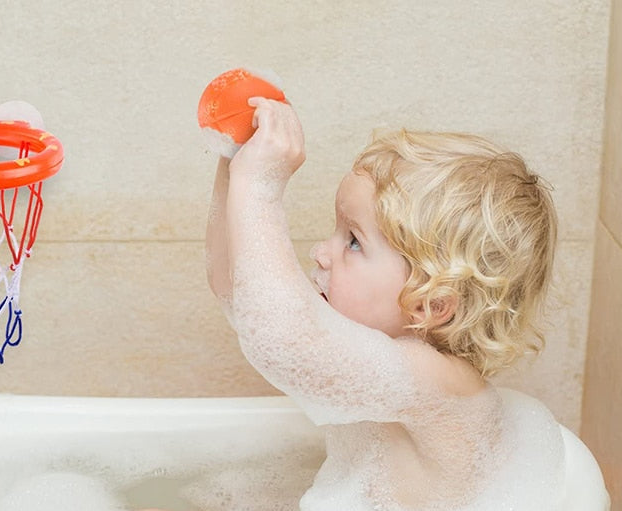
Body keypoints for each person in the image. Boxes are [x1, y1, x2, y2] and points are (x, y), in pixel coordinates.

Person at [203, 97, 567, 510]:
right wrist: (235, 167)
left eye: (354, 241)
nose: (323, 251)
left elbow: (287, 344)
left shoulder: (441, 382)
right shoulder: (371, 351)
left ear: (430, 303)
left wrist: (260, 187)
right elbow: (236, 288)